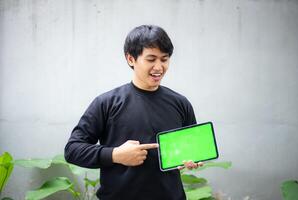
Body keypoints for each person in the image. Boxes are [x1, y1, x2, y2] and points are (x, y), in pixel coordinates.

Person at [64, 25, 202, 200]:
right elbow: (73, 150)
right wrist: (115, 155)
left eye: (164, 59)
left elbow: (190, 150)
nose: (159, 67)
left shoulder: (180, 103)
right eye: (151, 59)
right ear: (131, 58)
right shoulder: (106, 103)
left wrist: (190, 160)